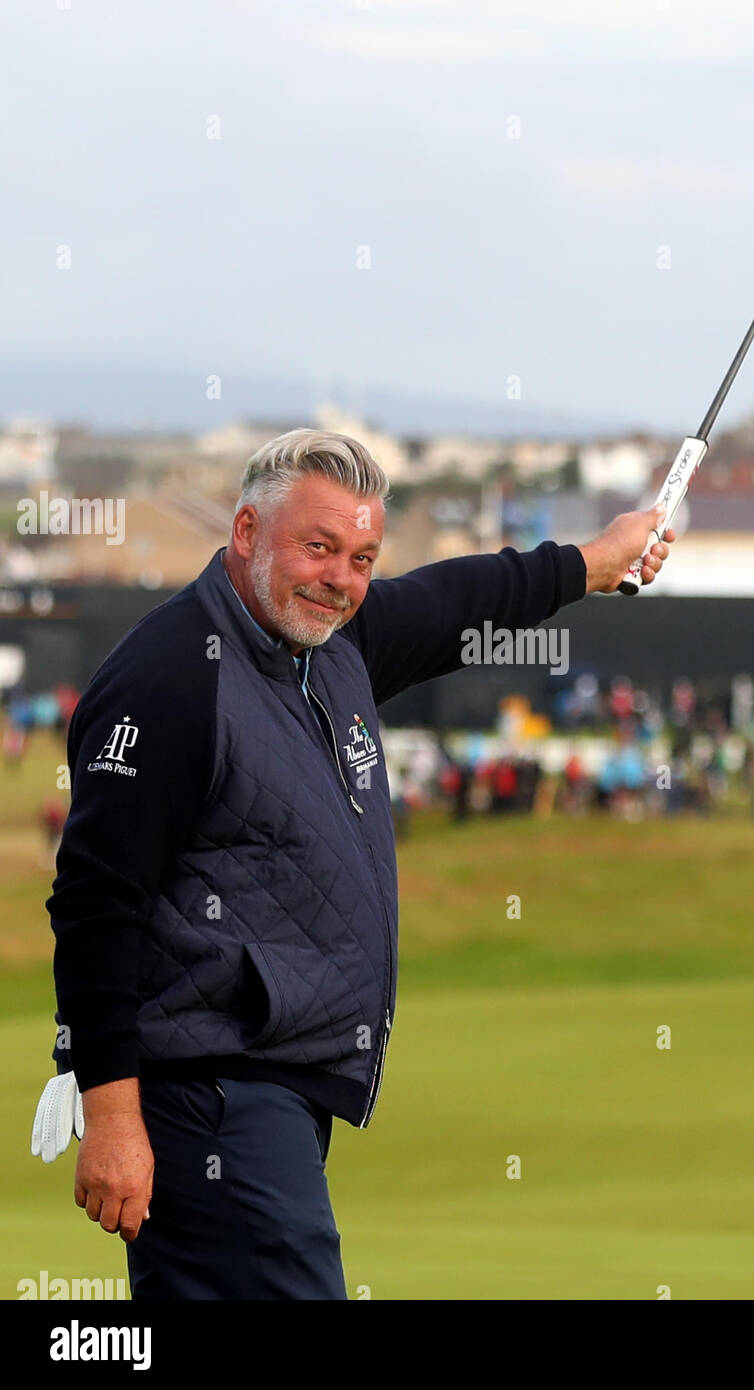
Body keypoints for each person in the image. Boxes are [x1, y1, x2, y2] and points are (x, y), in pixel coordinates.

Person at [35, 428, 673, 1300]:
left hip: (276, 1088)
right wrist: (109, 1113)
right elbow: (97, 904)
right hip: (213, 1096)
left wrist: (595, 561)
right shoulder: (171, 677)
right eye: (320, 547)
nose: (341, 577)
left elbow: (456, 598)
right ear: (249, 533)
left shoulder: (331, 638)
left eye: (363, 556)